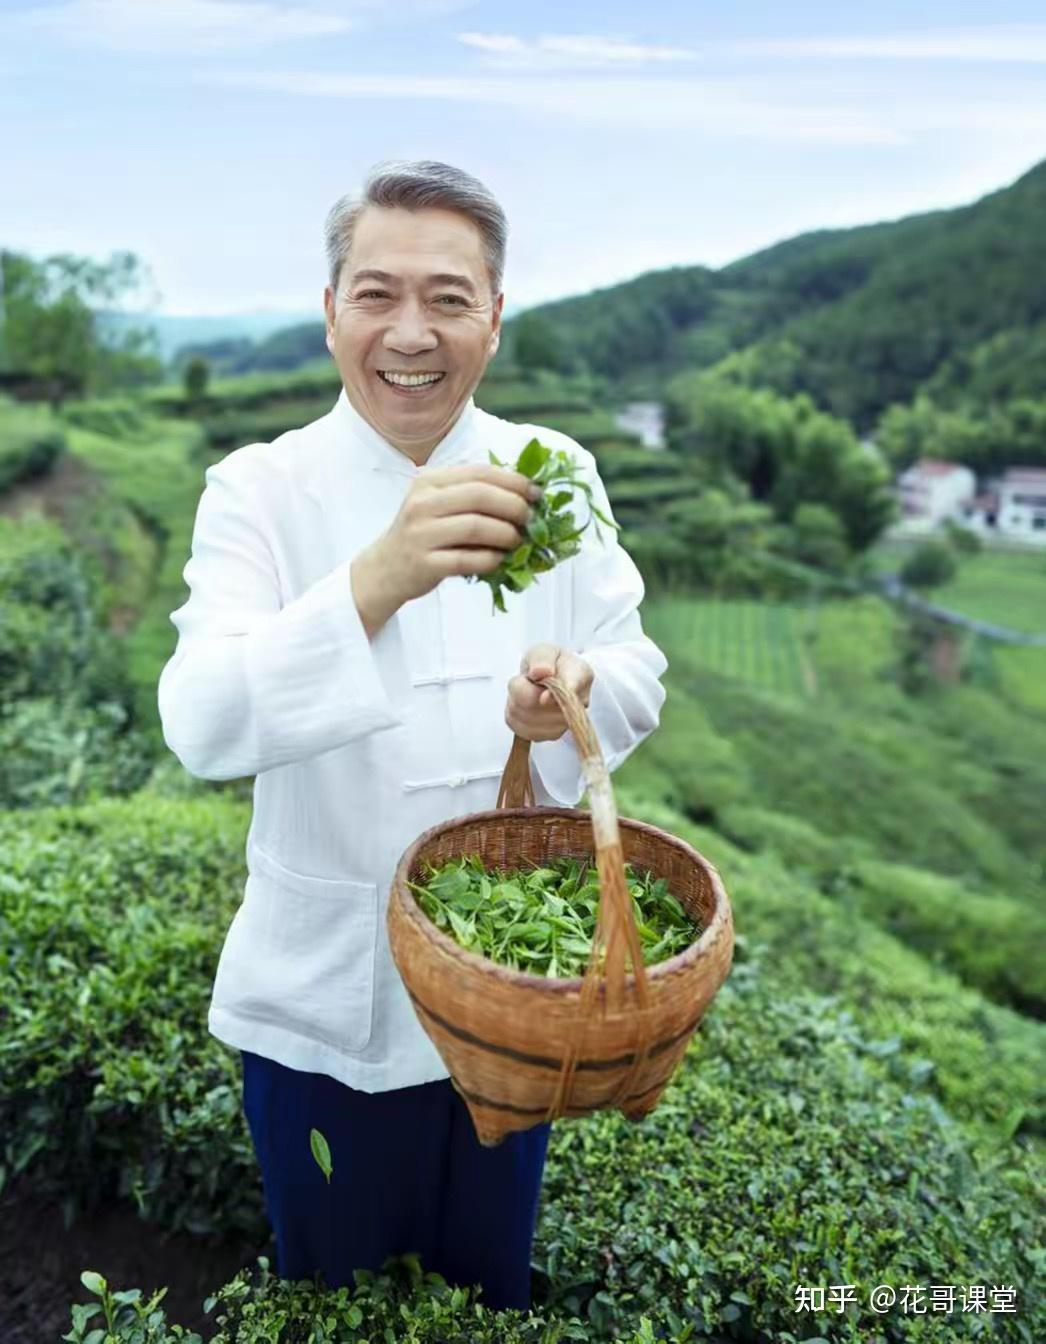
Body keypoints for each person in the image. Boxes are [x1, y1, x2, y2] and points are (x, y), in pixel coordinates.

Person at [157, 159, 668, 1313]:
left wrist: (575, 693)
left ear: (494, 319)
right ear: (330, 309)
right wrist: (375, 578)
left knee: (487, 1290)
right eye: (376, 293)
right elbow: (200, 722)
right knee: (334, 1296)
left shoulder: (555, 474)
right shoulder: (260, 490)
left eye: (448, 298)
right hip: (324, 1004)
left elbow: (635, 669)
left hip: (513, 1002)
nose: (411, 332)